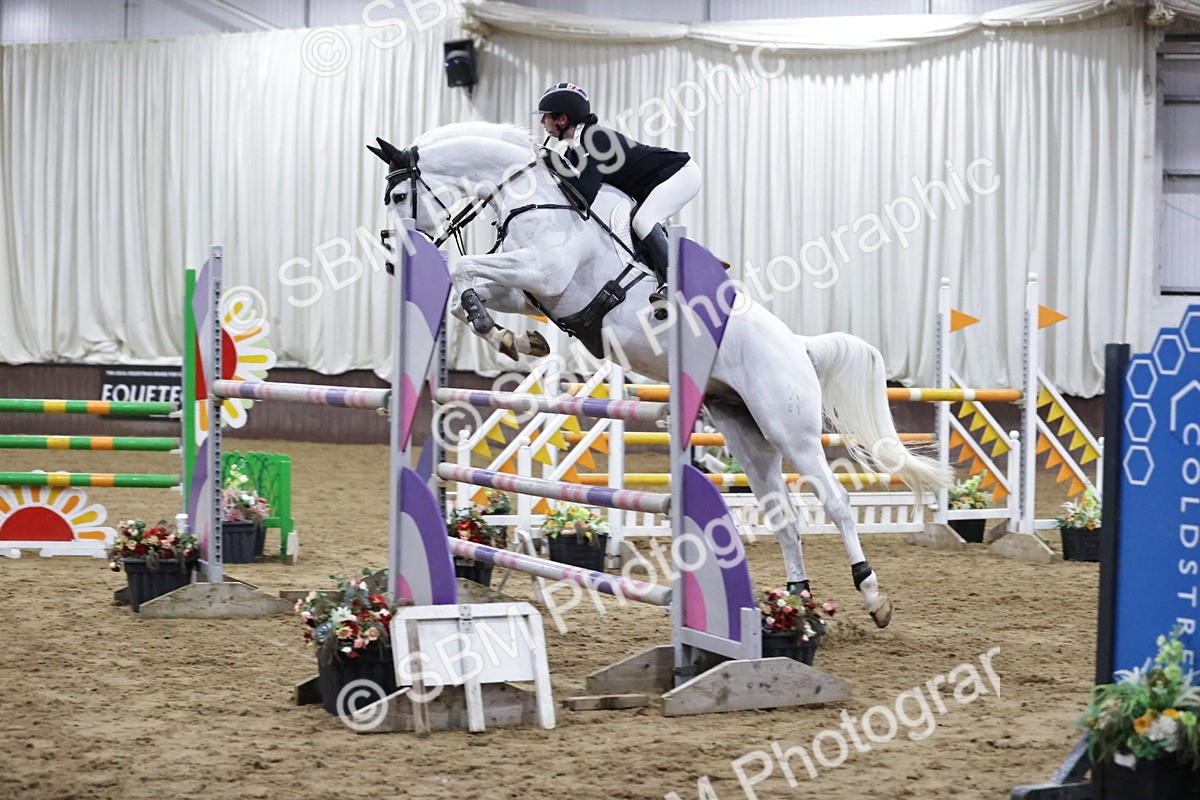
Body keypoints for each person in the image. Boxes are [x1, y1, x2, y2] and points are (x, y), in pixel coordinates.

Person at [536, 82, 702, 319]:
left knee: (643, 221)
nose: (542, 122)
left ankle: (674, 284)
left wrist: (553, 161)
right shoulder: (574, 150)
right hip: (655, 185)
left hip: (680, 173)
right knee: (639, 222)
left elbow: (584, 197)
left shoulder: (595, 139)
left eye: (545, 116)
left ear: (562, 119)